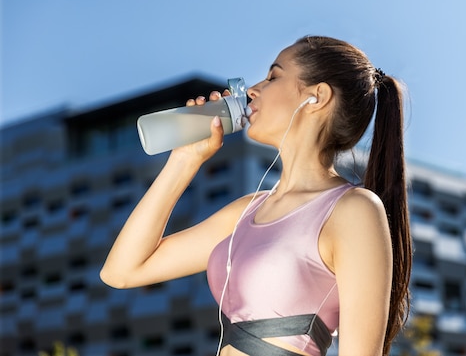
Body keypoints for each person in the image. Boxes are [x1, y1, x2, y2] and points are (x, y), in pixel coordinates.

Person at [100, 35, 412, 356]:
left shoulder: (353, 210)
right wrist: (185, 160)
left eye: (274, 76)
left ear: (316, 97)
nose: (252, 90)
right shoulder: (246, 211)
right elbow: (121, 272)